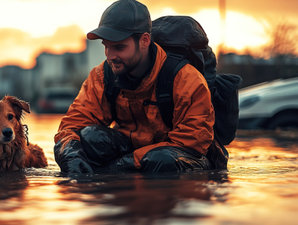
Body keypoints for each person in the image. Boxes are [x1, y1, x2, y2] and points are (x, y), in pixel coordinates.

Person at [54, 0, 214, 174]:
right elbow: (71, 126)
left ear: (144, 40)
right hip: (133, 151)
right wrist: (70, 156)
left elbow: (193, 142)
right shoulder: (102, 75)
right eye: (106, 47)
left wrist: (126, 164)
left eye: (119, 47)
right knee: (90, 137)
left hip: (186, 155)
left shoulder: (186, 79)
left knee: (161, 161)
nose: (110, 56)